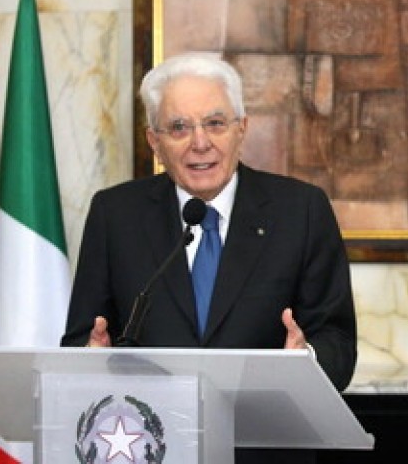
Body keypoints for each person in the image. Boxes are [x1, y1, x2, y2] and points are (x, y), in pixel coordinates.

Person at [62, 53, 357, 459]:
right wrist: (89, 361)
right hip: (148, 447)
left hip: (267, 448)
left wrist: (303, 365)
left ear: (242, 129)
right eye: (179, 127)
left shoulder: (300, 211)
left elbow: (338, 340)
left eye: (215, 123)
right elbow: (82, 336)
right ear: (155, 142)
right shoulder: (115, 216)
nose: (200, 142)